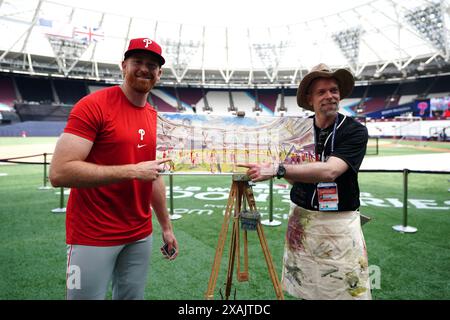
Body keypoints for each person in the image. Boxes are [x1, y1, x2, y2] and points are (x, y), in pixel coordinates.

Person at [49, 38, 178, 300]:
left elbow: (154, 175)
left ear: (159, 73)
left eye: (152, 65)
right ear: (123, 66)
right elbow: (59, 172)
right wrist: (131, 170)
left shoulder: (155, 117)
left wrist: (166, 226)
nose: (144, 69)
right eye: (137, 62)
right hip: (92, 234)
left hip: (140, 234)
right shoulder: (93, 105)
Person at [239, 63, 371, 300]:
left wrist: (278, 168)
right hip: (302, 218)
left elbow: (331, 171)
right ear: (310, 99)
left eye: (333, 90)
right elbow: (292, 177)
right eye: (322, 92)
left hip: (338, 222)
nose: (330, 96)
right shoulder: (297, 131)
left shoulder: (354, 130)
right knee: (305, 289)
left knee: (343, 291)